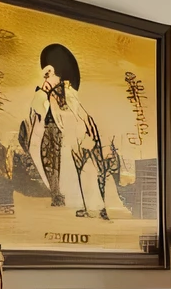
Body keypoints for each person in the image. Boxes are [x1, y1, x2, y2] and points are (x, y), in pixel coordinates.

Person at [29, 44, 119, 220]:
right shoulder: (51, 93)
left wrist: (88, 134)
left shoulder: (66, 92)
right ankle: (90, 207)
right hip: (69, 139)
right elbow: (38, 110)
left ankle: (96, 208)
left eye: (49, 74)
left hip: (78, 138)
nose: (46, 78)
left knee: (89, 171)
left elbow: (80, 113)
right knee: (81, 172)